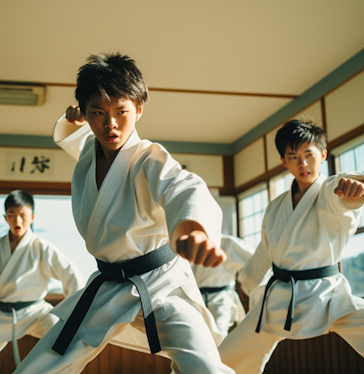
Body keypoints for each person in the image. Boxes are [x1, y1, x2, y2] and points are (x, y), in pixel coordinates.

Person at [13, 53, 235, 374]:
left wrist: (191, 227)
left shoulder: (148, 158)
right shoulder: (90, 153)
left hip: (160, 286)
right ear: (87, 115)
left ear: (139, 109)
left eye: (121, 111)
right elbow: (75, 136)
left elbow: (182, 187)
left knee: (206, 369)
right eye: (98, 113)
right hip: (107, 288)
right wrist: (73, 119)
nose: (111, 124)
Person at [218, 120, 364, 374]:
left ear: (323, 155)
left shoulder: (329, 191)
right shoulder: (275, 207)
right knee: (223, 358)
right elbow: (264, 252)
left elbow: (345, 194)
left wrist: (357, 188)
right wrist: (248, 283)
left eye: (308, 155)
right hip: (279, 299)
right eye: (293, 157)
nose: (302, 164)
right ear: (284, 161)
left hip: (326, 295)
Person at [0, 190, 85, 373]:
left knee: (67, 342)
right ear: (5, 218)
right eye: (12, 215)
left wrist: (75, 312)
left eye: (23, 216)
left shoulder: (42, 247)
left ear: (32, 217)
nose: (17, 221)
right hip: (1, 315)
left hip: (36, 312)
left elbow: (71, 273)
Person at [191, 234, 253, 337]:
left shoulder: (227, 243)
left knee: (219, 336)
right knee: (197, 337)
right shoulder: (193, 242)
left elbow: (253, 262)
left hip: (221, 298)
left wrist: (244, 281)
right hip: (196, 298)